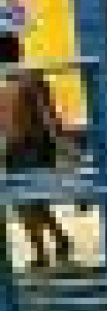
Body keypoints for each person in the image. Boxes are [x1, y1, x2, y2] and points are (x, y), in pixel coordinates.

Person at [0, 26, 74, 269]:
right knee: (26, 203)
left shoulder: (30, 77)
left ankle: (42, 251)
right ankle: (57, 239)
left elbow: (48, 115)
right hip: (13, 148)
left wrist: (61, 145)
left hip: (34, 146)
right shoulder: (6, 79)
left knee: (31, 201)